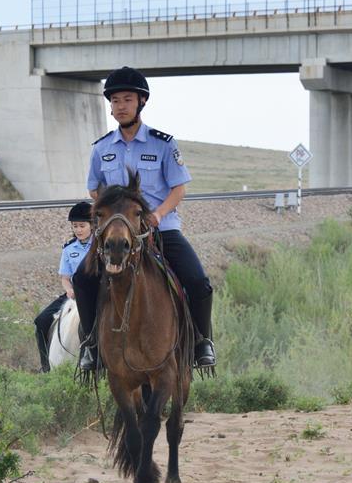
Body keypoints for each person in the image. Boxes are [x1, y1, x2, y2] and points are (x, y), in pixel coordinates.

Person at [73, 66, 216, 372]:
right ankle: (91, 346)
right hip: (116, 234)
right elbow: (94, 188)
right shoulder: (101, 148)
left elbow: (179, 188)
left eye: (127, 99)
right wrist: (108, 216)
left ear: (141, 102)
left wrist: (158, 214)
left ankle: (202, 341)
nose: (120, 106)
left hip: (161, 230)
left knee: (198, 282)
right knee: (82, 279)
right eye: (115, 101)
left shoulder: (163, 144)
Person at [33, 201, 93, 372]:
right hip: (74, 293)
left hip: (94, 294)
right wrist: (69, 289)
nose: (78, 230)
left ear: (92, 225)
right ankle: (46, 367)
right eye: (75, 226)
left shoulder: (100, 246)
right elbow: (65, 278)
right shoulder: (69, 249)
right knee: (41, 321)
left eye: (82, 226)